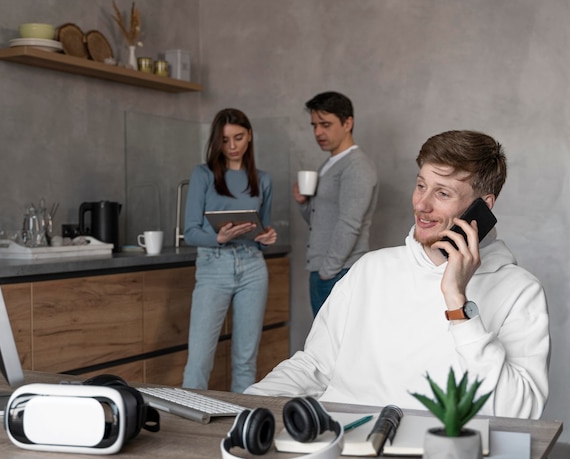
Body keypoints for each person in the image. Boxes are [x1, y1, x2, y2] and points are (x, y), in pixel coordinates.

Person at [246, 130, 550, 419]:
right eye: (421, 185)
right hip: (342, 441)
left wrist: (458, 304)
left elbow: (518, 412)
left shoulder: (520, 291)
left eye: (442, 192)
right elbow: (314, 365)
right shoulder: (370, 269)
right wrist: (242, 406)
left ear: (482, 207)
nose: (421, 204)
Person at [182, 108, 277, 393]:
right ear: (216, 142)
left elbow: (262, 230)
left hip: (253, 267)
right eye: (225, 140)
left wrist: (267, 237)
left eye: (238, 137)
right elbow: (190, 232)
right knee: (199, 359)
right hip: (214, 267)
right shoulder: (203, 175)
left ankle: (241, 427)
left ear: (249, 136)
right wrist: (219, 237)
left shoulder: (263, 180)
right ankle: (188, 425)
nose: (232, 146)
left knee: (246, 360)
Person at [294, 91, 379, 316]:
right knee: (326, 345)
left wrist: (328, 271)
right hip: (326, 269)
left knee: (337, 346)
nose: (318, 132)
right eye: (314, 125)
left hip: (339, 271)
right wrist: (303, 202)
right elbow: (319, 220)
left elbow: (350, 223)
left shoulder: (356, 166)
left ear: (347, 122)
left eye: (325, 124)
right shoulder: (330, 164)